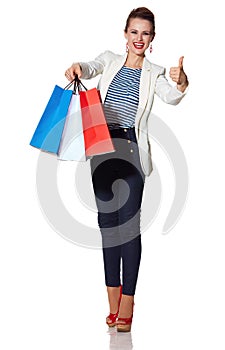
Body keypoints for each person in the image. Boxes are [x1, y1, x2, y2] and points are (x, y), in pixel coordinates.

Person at [65, 7, 188, 332]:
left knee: (128, 227)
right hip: (101, 149)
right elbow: (89, 68)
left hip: (131, 150)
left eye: (145, 33)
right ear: (125, 33)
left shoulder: (156, 72)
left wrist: (182, 84)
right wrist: (78, 66)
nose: (139, 38)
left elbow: (171, 97)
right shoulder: (108, 60)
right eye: (134, 32)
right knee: (108, 226)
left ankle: (128, 305)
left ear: (152, 39)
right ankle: (112, 303)